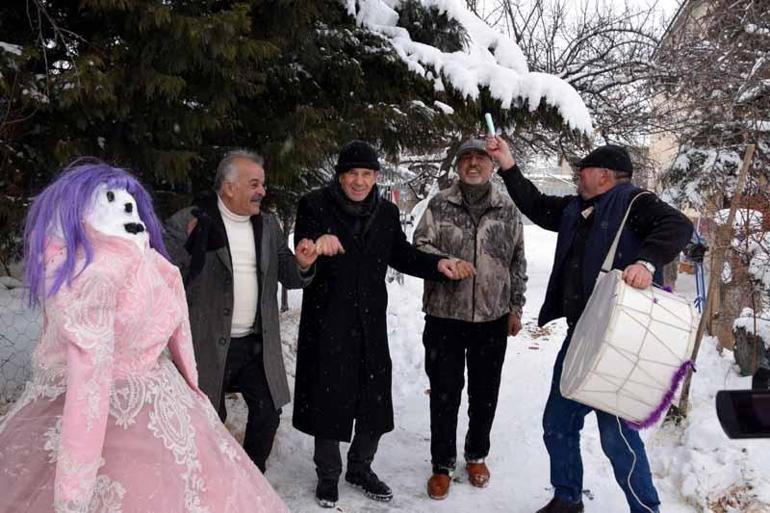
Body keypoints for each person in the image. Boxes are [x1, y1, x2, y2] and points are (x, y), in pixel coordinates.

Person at [0, 161, 288, 513]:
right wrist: (73, 491)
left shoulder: (148, 257)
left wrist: (191, 387)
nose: (261, 191)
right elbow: (89, 373)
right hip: (97, 408)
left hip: (167, 392)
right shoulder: (95, 274)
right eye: (254, 183)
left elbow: (175, 298)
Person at [486, 138, 693, 513]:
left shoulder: (636, 204)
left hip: (620, 340)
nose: (578, 174)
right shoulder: (577, 208)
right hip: (581, 334)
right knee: (558, 422)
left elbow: (677, 225)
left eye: (584, 169)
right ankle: (568, 499)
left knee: (617, 436)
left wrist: (645, 263)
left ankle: (646, 509)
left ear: (604, 175)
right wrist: (508, 164)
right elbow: (536, 205)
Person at [291, 140, 475, 508]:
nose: (359, 182)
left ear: (376, 176)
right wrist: (310, 252)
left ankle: (360, 467)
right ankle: (328, 474)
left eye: (367, 174)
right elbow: (302, 253)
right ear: (340, 176)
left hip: (370, 321)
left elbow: (402, 254)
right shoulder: (313, 205)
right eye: (352, 174)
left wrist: (437, 264)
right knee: (329, 397)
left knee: (374, 400)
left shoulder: (386, 213)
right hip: (327, 321)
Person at [165, 150, 317, 472]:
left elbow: (288, 274)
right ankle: (211, 479)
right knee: (208, 416)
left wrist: (302, 263)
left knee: (267, 412)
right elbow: (163, 277)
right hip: (205, 344)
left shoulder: (269, 225)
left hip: (255, 344)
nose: (262, 190)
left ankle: (249, 475)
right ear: (229, 186)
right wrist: (189, 248)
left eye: (262, 183)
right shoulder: (189, 221)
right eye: (254, 183)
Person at [413, 138, 527, 500]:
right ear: (458, 166)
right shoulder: (439, 204)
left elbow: (517, 262)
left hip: (492, 317)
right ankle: (441, 464)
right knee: (444, 393)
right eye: (467, 159)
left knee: (485, 393)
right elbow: (419, 246)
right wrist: (441, 263)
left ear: (492, 166)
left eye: (481, 158)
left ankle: (476, 454)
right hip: (445, 315)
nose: (474, 164)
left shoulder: (507, 209)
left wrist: (515, 307)